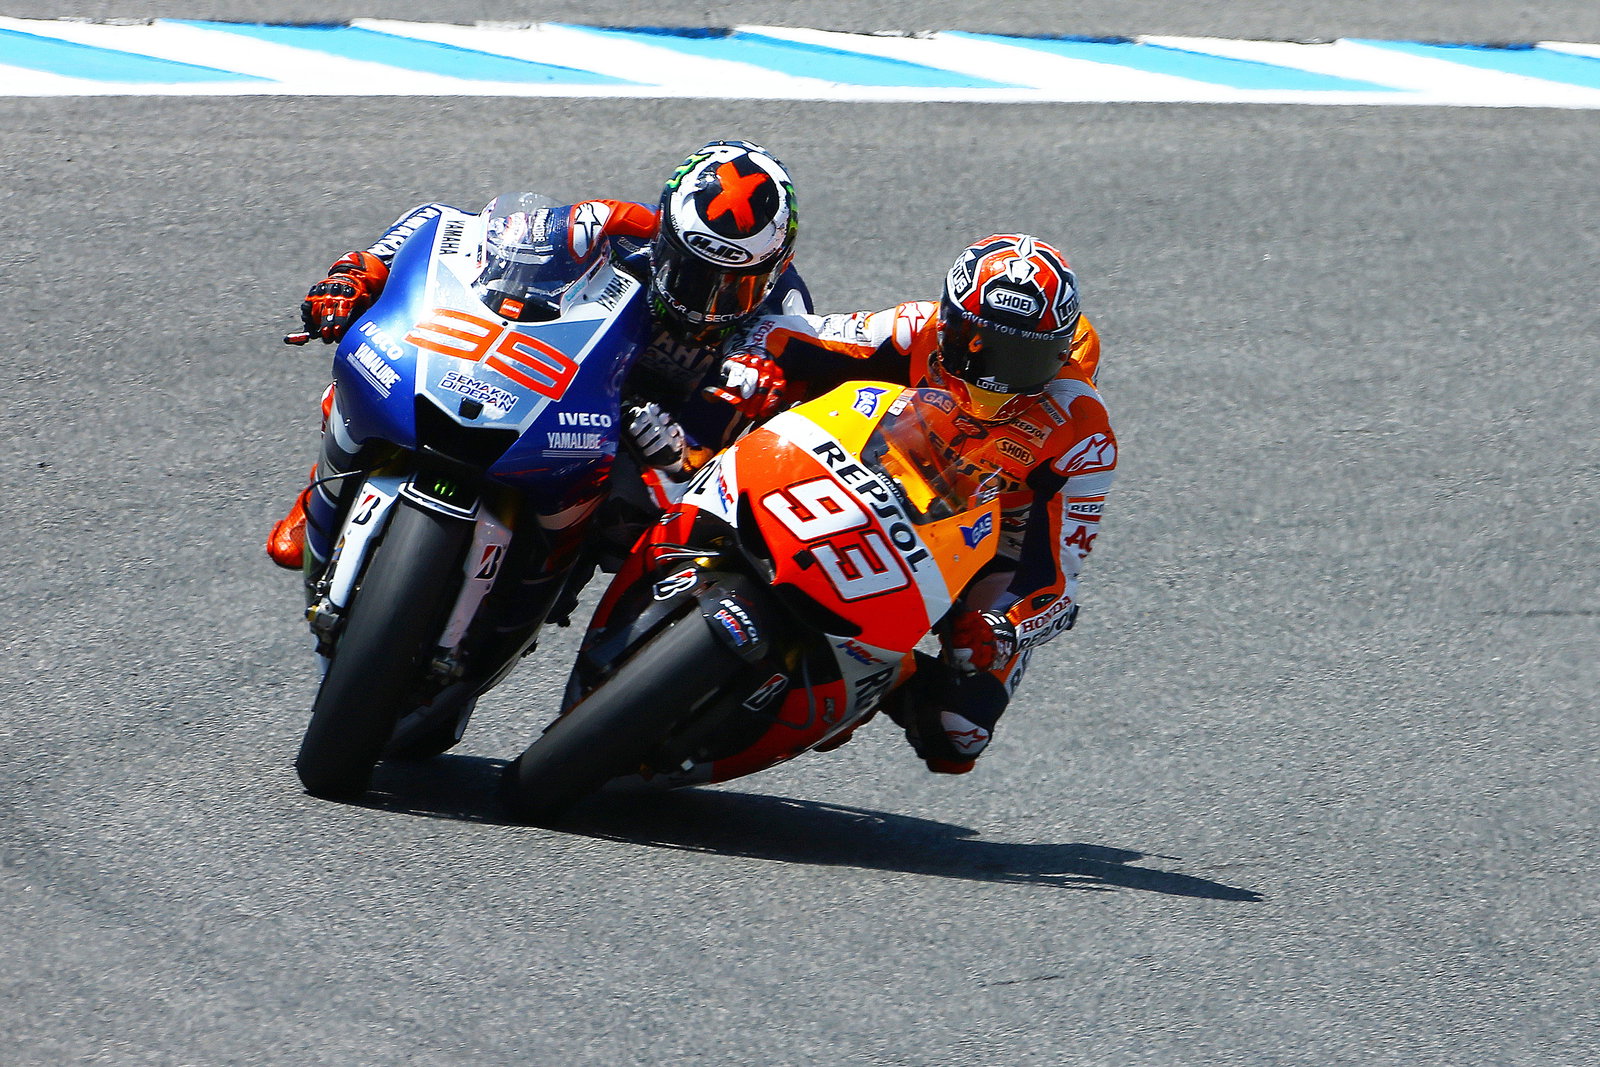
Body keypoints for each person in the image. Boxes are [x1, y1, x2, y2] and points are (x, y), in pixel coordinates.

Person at [266, 139, 808, 575]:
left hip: (646, 444)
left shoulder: (787, 315)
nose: (702, 301)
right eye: (688, 271)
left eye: (732, 285)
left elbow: (759, 451)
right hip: (561, 389)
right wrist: (358, 272)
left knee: (656, 541)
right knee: (387, 359)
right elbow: (455, 228)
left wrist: (685, 450)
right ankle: (328, 482)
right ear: (665, 232)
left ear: (776, 266)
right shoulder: (615, 223)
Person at [723, 233, 1116, 774]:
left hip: (984, 547)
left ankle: (884, 670)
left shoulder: (1083, 432)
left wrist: (1002, 628)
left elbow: (1057, 582)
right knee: (740, 398)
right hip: (867, 466)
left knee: (959, 734)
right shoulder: (914, 327)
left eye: (1025, 359)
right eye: (981, 345)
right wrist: (754, 365)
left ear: (1060, 355)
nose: (996, 377)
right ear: (950, 324)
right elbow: (788, 335)